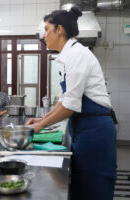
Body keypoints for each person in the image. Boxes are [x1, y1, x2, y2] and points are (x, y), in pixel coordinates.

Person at [25, 7, 116, 200]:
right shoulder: (66, 57)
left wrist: (39, 127)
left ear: (60, 30)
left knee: (95, 186)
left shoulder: (77, 55)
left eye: (47, 29)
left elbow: (70, 106)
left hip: (95, 130)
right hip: (83, 127)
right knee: (82, 184)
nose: (44, 35)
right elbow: (64, 101)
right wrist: (41, 119)